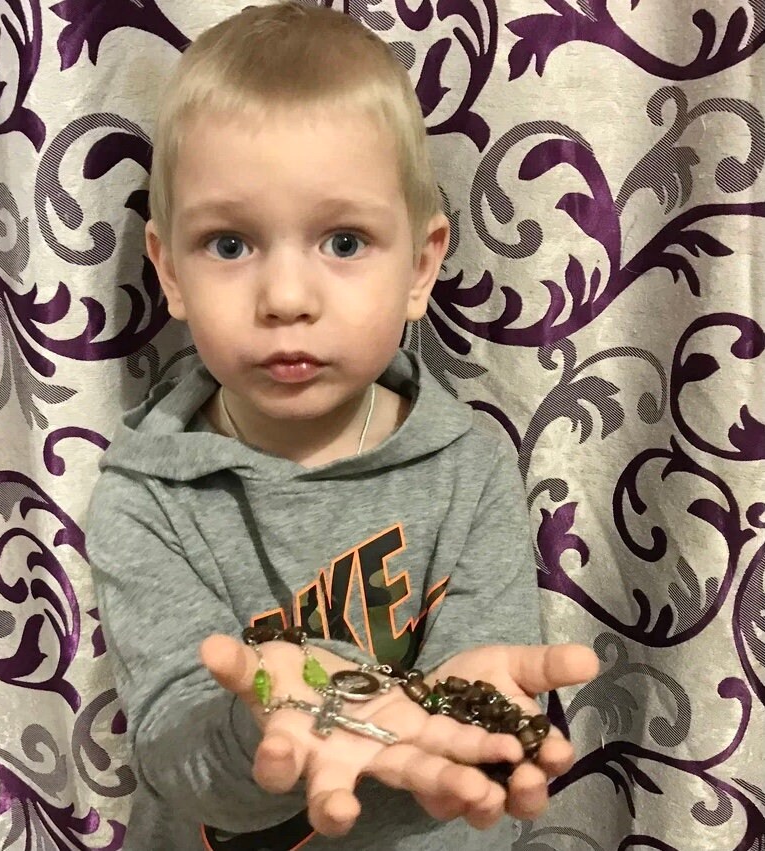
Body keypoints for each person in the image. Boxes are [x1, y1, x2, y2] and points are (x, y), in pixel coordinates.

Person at [85, 3, 599, 849]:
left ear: (420, 266)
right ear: (168, 271)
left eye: (345, 241)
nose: (287, 298)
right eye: (228, 244)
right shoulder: (145, 496)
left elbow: (481, 719)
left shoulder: (468, 468)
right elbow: (175, 751)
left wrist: (484, 725)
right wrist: (264, 717)